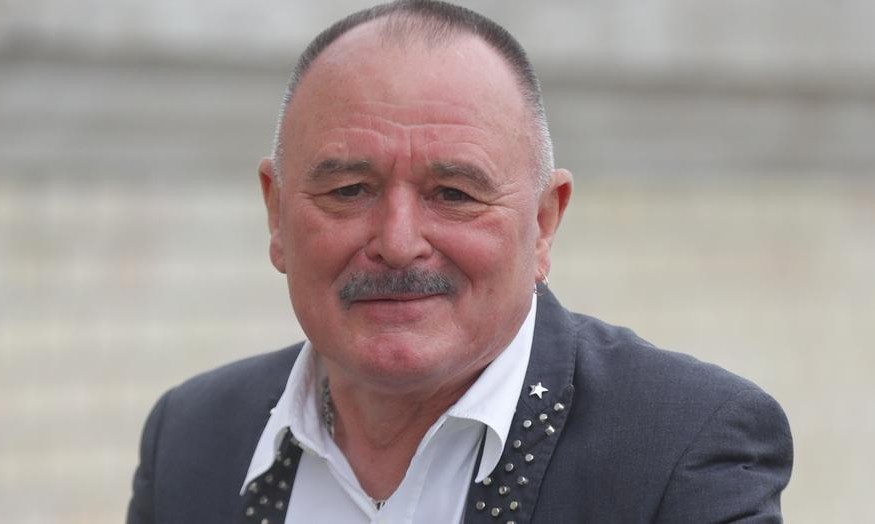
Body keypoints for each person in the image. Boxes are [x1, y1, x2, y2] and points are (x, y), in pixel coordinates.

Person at [127, 1, 793, 522]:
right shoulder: (191, 441)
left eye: (453, 194)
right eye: (349, 191)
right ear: (276, 214)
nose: (397, 242)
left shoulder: (678, 449)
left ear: (543, 223)